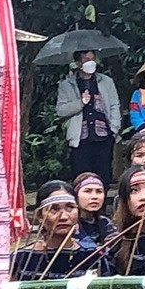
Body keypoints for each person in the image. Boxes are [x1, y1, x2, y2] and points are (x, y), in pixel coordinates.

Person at [56, 50, 122, 189]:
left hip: (104, 137)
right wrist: (80, 103)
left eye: (92, 59)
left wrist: (114, 129)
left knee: (104, 177)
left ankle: (102, 210)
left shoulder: (106, 81)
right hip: (80, 140)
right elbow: (61, 110)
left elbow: (114, 105)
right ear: (78, 63)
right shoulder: (67, 85)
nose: (90, 63)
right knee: (81, 179)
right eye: (86, 59)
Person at [72, 172, 118, 246]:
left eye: (99, 191)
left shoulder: (105, 223)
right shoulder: (69, 224)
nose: (94, 196)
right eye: (88, 191)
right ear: (75, 195)